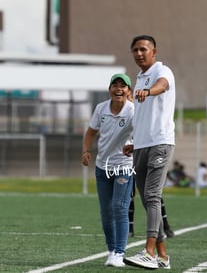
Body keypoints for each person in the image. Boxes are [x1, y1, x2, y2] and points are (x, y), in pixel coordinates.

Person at [122, 34, 175, 270]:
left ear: (154, 51)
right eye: (135, 50)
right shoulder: (140, 77)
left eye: (143, 49)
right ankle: (163, 256)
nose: (139, 53)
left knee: (153, 196)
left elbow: (162, 86)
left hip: (159, 143)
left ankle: (149, 251)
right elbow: (144, 117)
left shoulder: (161, 71)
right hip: (142, 146)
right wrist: (135, 141)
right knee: (147, 200)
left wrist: (150, 91)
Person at [82, 73, 135, 267]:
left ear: (129, 91)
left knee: (119, 208)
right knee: (106, 211)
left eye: (123, 86)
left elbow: (143, 136)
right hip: (102, 166)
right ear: (109, 89)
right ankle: (112, 250)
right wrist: (86, 151)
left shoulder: (132, 111)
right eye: (115, 85)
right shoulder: (101, 108)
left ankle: (120, 253)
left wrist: (134, 146)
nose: (119, 89)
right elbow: (91, 132)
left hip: (123, 167)